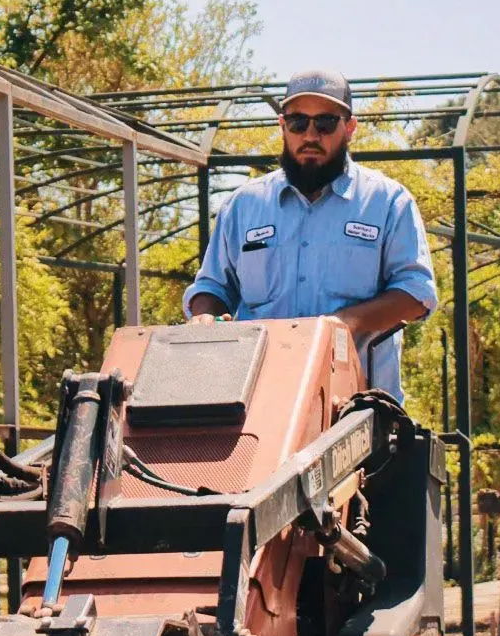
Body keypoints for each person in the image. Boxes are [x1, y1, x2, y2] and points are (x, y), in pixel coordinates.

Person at [183, 69, 436, 402]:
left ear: (350, 127)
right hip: (258, 403)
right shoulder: (243, 206)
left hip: (359, 411)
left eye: (326, 123)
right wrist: (205, 315)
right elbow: (213, 286)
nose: (311, 135)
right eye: (298, 123)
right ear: (283, 126)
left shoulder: (388, 202)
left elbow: (416, 294)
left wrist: (343, 323)